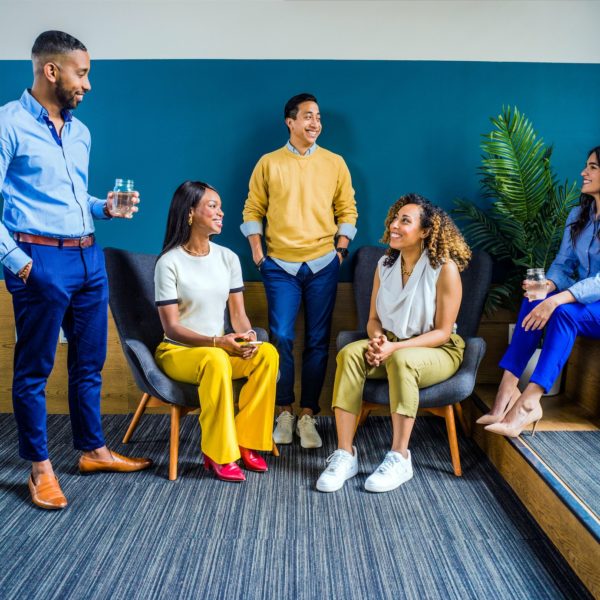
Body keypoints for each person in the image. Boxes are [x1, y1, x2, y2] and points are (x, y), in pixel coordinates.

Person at [0, 31, 152, 510]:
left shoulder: (81, 132)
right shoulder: (7, 124)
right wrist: (20, 265)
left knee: (88, 363)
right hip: (39, 260)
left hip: (89, 257)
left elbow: (71, 199)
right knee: (34, 369)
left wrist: (103, 207)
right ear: (51, 70)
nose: (87, 84)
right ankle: (40, 468)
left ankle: (93, 450)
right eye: (80, 72)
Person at [316, 193, 471, 493]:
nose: (394, 225)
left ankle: (400, 457)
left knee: (402, 360)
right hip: (390, 344)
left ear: (426, 231)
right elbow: (373, 319)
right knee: (350, 354)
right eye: (394, 218)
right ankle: (345, 454)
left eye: (405, 220)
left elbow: (441, 332)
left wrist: (394, 348)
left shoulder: (445, 268)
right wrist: (377, 341)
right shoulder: (384, 265)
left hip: (437, 349)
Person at [241, 93, 358, 449]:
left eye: (318, 117)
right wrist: (260, 256)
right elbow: (252, 209)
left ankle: (308, 415)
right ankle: (284, 411)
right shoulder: (268, 163)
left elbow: (348, 209)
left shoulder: (335, 162)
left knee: (318, 342)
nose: (315, 123)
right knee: (281, 338)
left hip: (324, 264)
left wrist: (340, 252)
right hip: (279, 266)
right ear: (290, 122)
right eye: (308, 116)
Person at [154, 181, 279, 482]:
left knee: (267, 353)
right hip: (178, 351)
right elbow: (171, 326)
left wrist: (248, 337)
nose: (221, 212)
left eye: (220, 206)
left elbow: (238, 315)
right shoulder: (168, 262)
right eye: (212, 206)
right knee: (216, 360)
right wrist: (216, 343)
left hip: (218, 349)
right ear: (190, 212)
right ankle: (218, 453)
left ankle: (246, 441)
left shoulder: (227, 258)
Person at [480, 146, 600, 437]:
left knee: (564, 315)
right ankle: (506, 390)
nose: (584, 172)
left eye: (593, 167)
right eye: (587, 166)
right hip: (579, 299)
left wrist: (558, 298)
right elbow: (562, 264)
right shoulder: (579, 215)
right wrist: (547, 286)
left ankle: (530, 401)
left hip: (590, 304)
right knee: (535, 297)